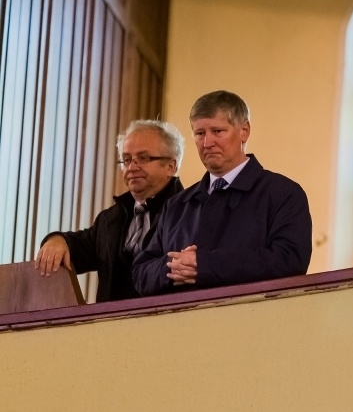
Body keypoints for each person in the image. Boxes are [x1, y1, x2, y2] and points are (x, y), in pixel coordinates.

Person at [132, 90, 312, 295]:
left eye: (217, 131)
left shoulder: (283, 194)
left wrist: (204, 265)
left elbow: (289, 261)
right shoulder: (176, 205)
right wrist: (174, 267)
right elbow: (140, 272)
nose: (207, 143)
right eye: (200, 134)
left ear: (244, 131)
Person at [34, 120, 185, 302]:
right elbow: (80, 247)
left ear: (170, 166)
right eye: (126, 159)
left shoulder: (191, 212)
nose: (132, 167)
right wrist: (58, 240)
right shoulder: (111, 219)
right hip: (112, 319)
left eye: (144, 158)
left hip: (171, 316)